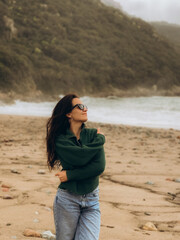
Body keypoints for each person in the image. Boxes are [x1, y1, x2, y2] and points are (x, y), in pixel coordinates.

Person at [46, 93, 106, 240]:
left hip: (92, 199)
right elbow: (81, 157)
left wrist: (70, 175)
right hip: (68, 199)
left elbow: (99, 167)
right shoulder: (60, 139)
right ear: (68, 113)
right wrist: (100, 140)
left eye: (85, 106)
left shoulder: (92, 135)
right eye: (79, 106)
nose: (84, 109)